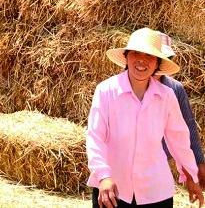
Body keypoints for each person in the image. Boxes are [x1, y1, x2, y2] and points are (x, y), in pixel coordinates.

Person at [86, 28, 204, 208]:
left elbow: (179, 140)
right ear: (126, 57)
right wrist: (103, 176)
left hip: (156, 192)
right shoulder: (106, 91)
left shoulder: (167, 96)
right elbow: (95, 137)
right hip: (112, 190)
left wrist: (190, 177)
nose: (141, 60)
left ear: (158, 63)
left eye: (149, 56)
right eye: (135, 53)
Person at [157, 33, 205, 185]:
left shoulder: (175, 89)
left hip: (159, 161)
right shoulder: (120, 88)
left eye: (165, 59)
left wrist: (199, 162)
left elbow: (188, 125)